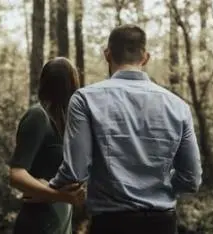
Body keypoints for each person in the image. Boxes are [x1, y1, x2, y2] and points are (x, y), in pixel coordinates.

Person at [49, 25, 203, 234]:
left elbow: (75, 171)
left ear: (107, 54)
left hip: (111, 224)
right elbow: (191, 179)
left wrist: (47, 187)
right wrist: (158, 186)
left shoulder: (85, 99)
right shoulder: (178, 106)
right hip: (162, 225)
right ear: (146, 57)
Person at [9, 57, 83, 234]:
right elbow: (16, 174)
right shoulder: (38, 116)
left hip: (60, 220)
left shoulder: (66, 123)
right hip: (38, 223)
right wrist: (57, 195)